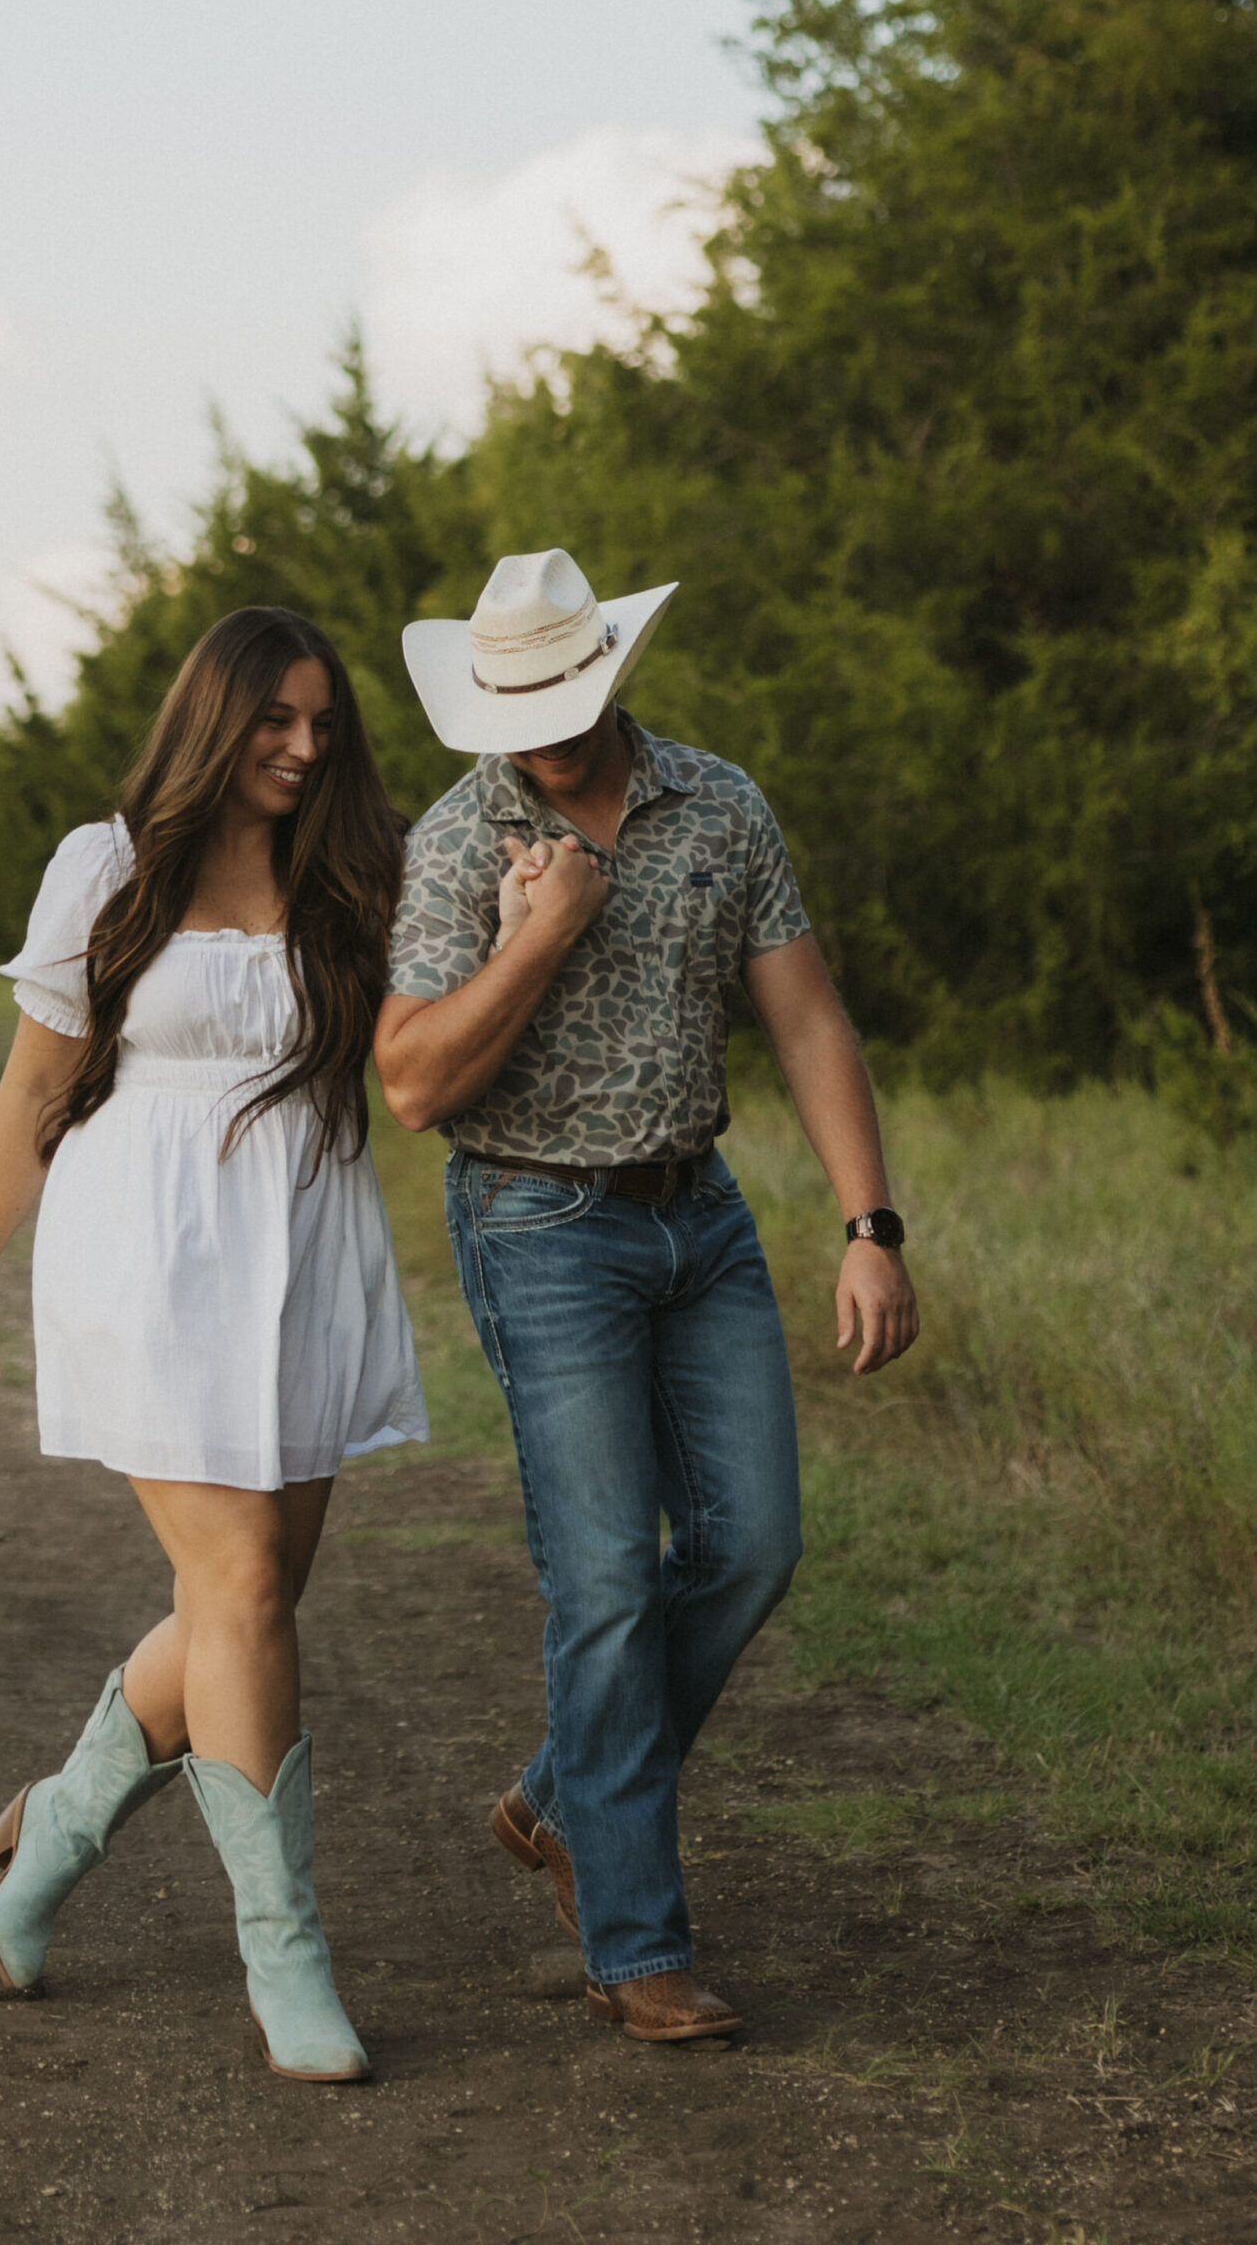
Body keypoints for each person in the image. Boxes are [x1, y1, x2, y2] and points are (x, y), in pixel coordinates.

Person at [374, 547, 919, 2045]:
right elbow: (411, 1082)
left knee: (751, 1548)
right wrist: (538, 934)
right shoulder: (454, 842)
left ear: (610, 676)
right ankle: (636, 1944)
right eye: (515, 704)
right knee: (606, 1578)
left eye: (563, 694)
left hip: (704, 1220)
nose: (540, 729)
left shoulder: (719, 803)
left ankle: (563, 1797)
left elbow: (806, 1018)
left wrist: (869, 1223)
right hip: (540, 1226)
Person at [0, 606, 429, 2083]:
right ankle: (286, 1957)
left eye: (322, 724)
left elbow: (431, 1041)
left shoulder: (357, 866)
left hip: (306, 1251)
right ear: (211, 718)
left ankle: (51, 1838)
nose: (300, 747)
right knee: (244, 1589)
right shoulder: (108, 866)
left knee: (243, 1604)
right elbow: (36, 1090)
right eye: (276, 720)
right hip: (144, 1255)